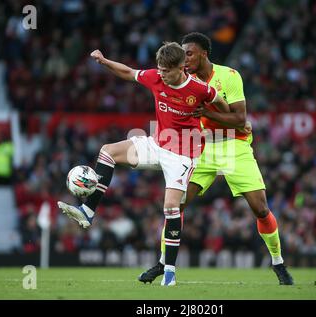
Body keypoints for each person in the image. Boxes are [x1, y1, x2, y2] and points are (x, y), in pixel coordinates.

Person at [57, 42, 231, 286]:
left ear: (181, 67)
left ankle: (169, 271)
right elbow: (128, 72)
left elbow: (223, 105)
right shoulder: (156, 77)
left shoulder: (199, 89)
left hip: (182, 155)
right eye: (159, 69)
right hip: (156, 144)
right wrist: (105, 62)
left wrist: (212, 115)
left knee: (171, 207)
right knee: (107, 152)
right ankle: (87, 211)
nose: (161, 74)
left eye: (166, 71)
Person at [138, 32, 294, 285]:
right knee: (175, 205)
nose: (185, 59)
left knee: (261, 208)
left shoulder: (229, 76)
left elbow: (240, 120)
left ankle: (278, 263)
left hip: (233, 144)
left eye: (189, 53)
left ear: (203, 54)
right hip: (199, 147)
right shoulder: (180, 79)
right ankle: (163, 263)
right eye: (183, 55)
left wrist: (209, 112)